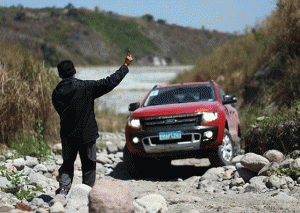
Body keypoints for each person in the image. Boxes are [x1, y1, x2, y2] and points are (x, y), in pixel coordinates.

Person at [51, 51, 133, 201]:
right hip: (87, 135)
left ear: (59, 75)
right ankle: (87, 194)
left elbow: (59, 110)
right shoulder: (86, 87)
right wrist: (125, 65)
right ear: (74, 72)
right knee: (89, 166)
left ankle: (62, 192)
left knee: (67, 164)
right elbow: (109, 82)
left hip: (68, 135)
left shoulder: (56, 93)